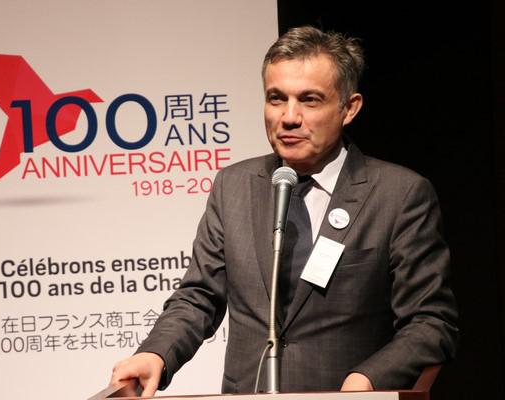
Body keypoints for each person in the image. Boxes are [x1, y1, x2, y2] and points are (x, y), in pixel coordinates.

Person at [109, 25, 458, 396]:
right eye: (276, 99)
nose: (289, 117)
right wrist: (156, 353)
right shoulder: (234, 186)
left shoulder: (398, 195)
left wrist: (368, 380)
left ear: (349, 108)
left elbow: (431, 322)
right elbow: (199, 297)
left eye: (310, 100)